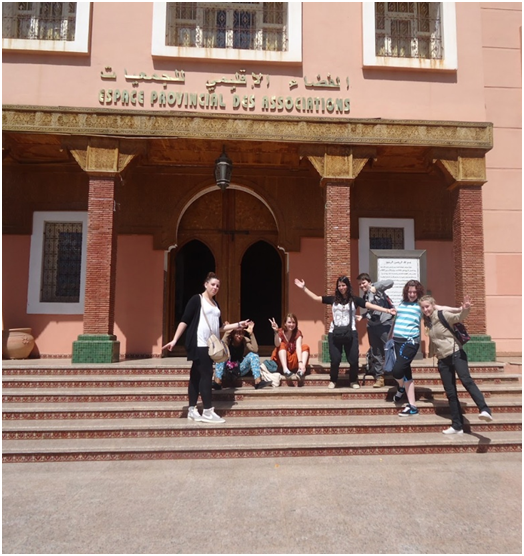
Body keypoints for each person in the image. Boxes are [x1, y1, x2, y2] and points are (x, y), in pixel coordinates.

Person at [162, 272, 251, 424]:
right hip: (199, 343)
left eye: (218, 286)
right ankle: (208, 411)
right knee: (207, 374)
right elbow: (185, 320)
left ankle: (192, 410)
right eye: (213, 284)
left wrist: (238, 324)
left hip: (210, 345)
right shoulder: (197, 299)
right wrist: (175, 339)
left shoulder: (216, 304)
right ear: (206, 284)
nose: (215, 287)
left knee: (196, 376)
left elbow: (220, 327)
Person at [294, 276, 395, 389]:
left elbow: (369, 305)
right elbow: (316, 298)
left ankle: (353, 381)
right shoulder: (333, 299)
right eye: (339, 286)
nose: (341, 288)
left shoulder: (354, 299)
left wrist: (387, 310)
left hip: (351, 333)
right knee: (335, 360)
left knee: (353, 360)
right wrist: (304, 288)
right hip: (334, 333)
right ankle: (333, 380)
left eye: (343, 285)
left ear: (347, 286)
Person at [420, 294, 493, 434]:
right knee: (450, 393)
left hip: (456, 353)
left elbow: (459, 317)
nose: (425, 309)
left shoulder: (442, 314)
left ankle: (484, 409)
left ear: (433, 305)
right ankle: (457, 425)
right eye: (423, 307)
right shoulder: (427, 321)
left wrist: (465, 308)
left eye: (427, 306)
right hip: (442, 359)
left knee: (466, 380)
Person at [389, 280, 459, 417]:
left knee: (397, 371)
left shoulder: (420, 305)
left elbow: (440, 307)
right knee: (406, 372)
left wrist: (459, 309)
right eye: (410, 292)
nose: (412, 294)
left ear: (418, 293)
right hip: (397, 341)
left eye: (414, 292)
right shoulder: (402, 303)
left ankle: (401, 387)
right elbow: (396, 319)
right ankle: (412, 406)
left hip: (410, 342)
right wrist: (390, 335)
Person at [357, 273, 394, 388]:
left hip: (385, 324)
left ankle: (397, 375)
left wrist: (375, 287)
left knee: (390, 349)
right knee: (376, 351)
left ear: (369, 282)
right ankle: (379, 377)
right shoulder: (365, 296)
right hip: (372, 326)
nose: (362, 286)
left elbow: (390, 282)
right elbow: (372, 311)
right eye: (360, 284)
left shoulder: (377, 289)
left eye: (363, 283)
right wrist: (362, 316)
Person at [212, 322, 272, 390]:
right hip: (226, 369)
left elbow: (255, 349)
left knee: (254, 355)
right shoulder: (228, 340)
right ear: (233, 334)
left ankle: (258, 381)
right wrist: (227, 332)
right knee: (221, 355)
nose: (239, 336)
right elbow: (221, 348)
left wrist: (251, 334)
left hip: (239, 369)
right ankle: (218, 382)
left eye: (241, 333)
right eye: (237, 333)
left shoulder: (245, 340)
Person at [269, 313, 310, 384]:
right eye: (289, 322)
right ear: (285, 323)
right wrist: (276, 332)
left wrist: (300, 362)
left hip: (292, 359)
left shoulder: (297, 333)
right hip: (282, 360)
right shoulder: (280, 331)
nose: (291, 324)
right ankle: (285, 370)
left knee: (305, 347)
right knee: (281, 345)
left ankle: (301, 370)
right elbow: (277, 344)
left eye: (293, 322)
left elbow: (298, 347)